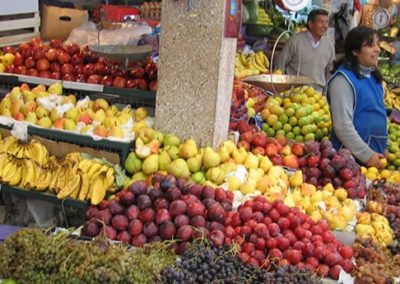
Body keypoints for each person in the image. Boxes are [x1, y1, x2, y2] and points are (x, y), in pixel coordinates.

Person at [327, 26, 387, 168]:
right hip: (350, 161)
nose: (377, 49)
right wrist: (367, 155)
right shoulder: (343, 81)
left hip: (374, 157)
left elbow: (380, 112)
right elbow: (342, 126)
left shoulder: (373, 77)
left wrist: (386, 145)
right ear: (355, 51)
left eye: (377, 43)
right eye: (371, 45)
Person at [275, 9, 335, 91]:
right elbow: (279, 66)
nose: (325, 26)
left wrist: (326, 93)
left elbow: (330, 73)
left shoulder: (329, 45)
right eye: (321, 22)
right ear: (310, 24)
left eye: (327, 22)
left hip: (317, 95)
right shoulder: (295, 41)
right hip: (294, 93)